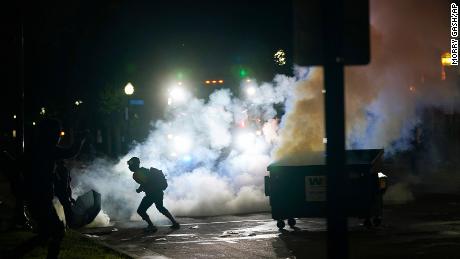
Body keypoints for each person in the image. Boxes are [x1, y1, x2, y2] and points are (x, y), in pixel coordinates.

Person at [21, 119, 85, 259]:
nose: (59, 136)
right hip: (40, 197)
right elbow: (70, 152)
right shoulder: (45, 148)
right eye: (57, 133)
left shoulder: (36, 147)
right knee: (56, 231)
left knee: (48, 233)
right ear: (50, 133)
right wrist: (80, 139)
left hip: (38, 197)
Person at [127, 157, 179, 232]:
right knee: (160, 208)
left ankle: (151, 226)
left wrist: (139, 189)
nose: (129, 167)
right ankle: (174, 223)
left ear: (135, 165)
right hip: (158, 192)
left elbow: (146, 182)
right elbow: (146, 182)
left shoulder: (137, 174)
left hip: (151, 194)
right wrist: (141, 188)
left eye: (130, 165)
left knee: (141, 210)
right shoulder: (144, 170)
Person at [53, 160, 76, 227]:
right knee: (67, 207)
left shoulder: (64, 170)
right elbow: (63, 184)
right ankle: (69, 224)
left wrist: (70, 196)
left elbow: (68, 184)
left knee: (67, 207)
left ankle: (69, 223)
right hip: (61, 192)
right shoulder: (58, 171)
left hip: (63, 191)